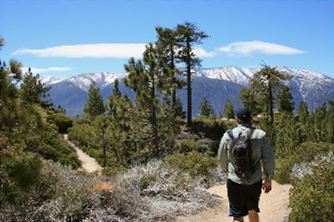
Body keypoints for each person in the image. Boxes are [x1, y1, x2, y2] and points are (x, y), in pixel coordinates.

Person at [218, 108, 275, 222]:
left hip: (234, 180)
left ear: (237, 120)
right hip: (254, 180)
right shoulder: (260, 135)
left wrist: (228, 172)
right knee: (252, 208)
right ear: (250, 119)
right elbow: (269, 159)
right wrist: (268, 179)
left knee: (237, 213)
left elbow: (221, 158)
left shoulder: (228, 136)